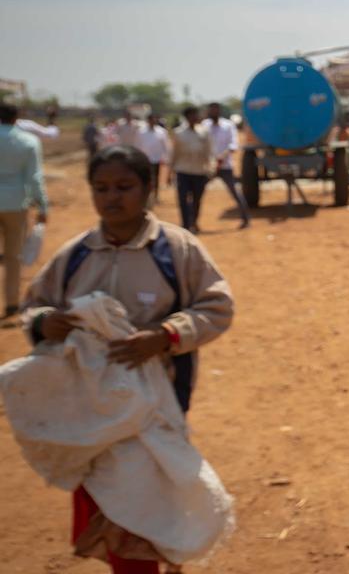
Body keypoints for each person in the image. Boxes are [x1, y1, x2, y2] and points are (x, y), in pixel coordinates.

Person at [22, 145, 233, 574]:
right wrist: (46, 323)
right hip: (90, 411)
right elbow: (36, 305)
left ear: (149, 189)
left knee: (157, 499)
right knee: (111, 503)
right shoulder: (75, 255)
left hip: (157, 407)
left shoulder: (176, 249)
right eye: (101, 188)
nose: (111, 198)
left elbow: (216, 308)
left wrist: (164, 336)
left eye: (124, 187)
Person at [1, 101, 48, 318]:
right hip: (16, 204)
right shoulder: (28, 141)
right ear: (17, 116)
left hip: (15, 202)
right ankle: (11, 303)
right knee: (13, 256)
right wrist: (43, 205)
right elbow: (35, 178)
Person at [202, 102, 251, 229]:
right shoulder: (204, 125)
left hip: (225, 166)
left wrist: (222, 157)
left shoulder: (228, 125)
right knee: (197, 193)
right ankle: (191, 222)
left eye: (215, 110)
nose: (213, 112)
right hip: (208, 167)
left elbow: (234, 144)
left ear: (219, 111)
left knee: (235, 192)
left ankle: (246, 219)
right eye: (211, 110)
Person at [169, 106, 213, 233]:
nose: (194, 118)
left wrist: (211, 168)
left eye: (196, 115)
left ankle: (194, 221)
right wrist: (170, 172)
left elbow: (209, 152)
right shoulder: (178, 133)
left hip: (199, 171)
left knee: (197, 199)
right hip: (183, 171)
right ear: (187, 117)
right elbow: (174, 153)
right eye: (191, 115)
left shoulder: (204, 132)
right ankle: (185, 224)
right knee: (183, 199)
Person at [136, 113, 171, 203]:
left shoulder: (161, 132)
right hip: (144, 159)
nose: (152, 121)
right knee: (145, 178)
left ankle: (155, 196)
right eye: (150, 119)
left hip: (156, 159)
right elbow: (138, 145)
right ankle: (145, 196)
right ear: (148, 121)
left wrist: (167, 157)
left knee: (156, 178)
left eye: (154, 119)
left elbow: (166, 145)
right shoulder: (141, 132)